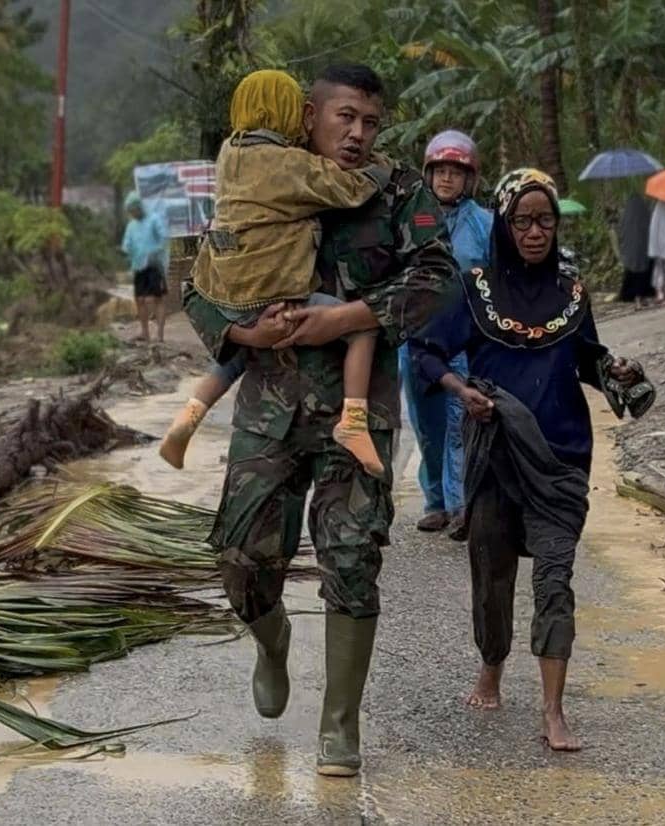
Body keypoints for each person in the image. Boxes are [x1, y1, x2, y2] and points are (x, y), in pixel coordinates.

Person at [182, 64, 457, 778]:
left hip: (358, 414)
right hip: (268, 413)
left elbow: (437, 275)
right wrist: (239, 336)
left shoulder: (397, 190)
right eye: (345, 118)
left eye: (371, 121)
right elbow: (202, 280)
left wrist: (349, 316)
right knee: (241, 562)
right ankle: (271, 644)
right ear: (310, 115)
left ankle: (339, 726)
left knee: (352, 559)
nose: (359, 134)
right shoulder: (261, 172)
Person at [410, 168, 645, 752]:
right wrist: (461, 392)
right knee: (492, 570)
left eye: (545, 221)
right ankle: (491, 667)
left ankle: (553, 710)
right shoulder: (475, 287)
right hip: (495, 456)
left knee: (555, 579)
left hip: (562, 455)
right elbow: (427, 353)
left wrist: (614, 369)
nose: (535, 232)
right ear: (504, 223)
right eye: (523, 221)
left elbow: (585, 358)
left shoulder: (572, 293)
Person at [159, 69, 386, 476]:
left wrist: (244, 332)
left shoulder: (230, 151)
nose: (356, 133)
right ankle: (353, 421)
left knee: (238, 357)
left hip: (226, 291)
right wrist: (381, 169)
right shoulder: (288, 163)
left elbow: (192, 294)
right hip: (276, 292)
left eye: (368, 123)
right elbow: (347, 190)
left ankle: (188, 417)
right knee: (363, 330)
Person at [399, 129, 492, 539]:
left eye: (456, 171)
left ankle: (460, 505)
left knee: (460, 422)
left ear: (469, 178)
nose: (447, 179)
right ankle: (435, 501)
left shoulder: (485, 224)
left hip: (464, 340)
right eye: (440, 170)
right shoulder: (412, 218)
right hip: (416, 340)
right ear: (428, 173)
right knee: (427, 426)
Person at [121, 191, 169, 342]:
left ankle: (159, 334)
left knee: (157, 298)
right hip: (138, 266)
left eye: (133, 210)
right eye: (130, 211)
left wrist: (153, 252)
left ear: (139, 207)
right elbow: (126, 244)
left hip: (154, 266)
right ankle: (145, 332)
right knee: (140, 299)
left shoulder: (154, 219)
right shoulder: (131, 226)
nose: (132, 213)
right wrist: (126, 250)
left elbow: (164, 238)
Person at [616, 193, 655, 307]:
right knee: (643, 275)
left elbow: (622, 234)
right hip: (644, 251)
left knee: (634, 275)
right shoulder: (645, 215)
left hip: (631, 253)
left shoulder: (626, 217)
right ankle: (642, 298)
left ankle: (638, 299)